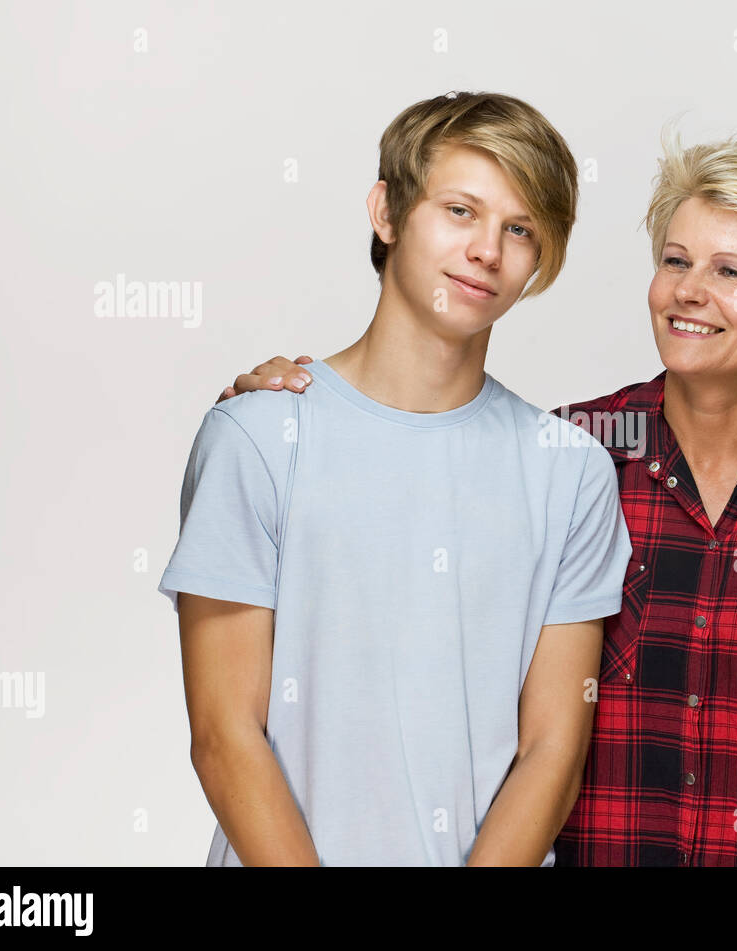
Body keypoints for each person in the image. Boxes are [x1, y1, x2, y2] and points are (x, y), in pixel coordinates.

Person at [221, 128, 737, 866]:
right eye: (675, 260)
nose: (689, 290)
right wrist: (298, 409)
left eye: (730, 272)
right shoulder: (569, 461)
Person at [157, 91, 632, 866]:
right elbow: (223, 735)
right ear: (386, 212)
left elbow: (553, 751)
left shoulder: (570, 471)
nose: (487, 250)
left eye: (519, 229)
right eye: (460, 211)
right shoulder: (259, 436)